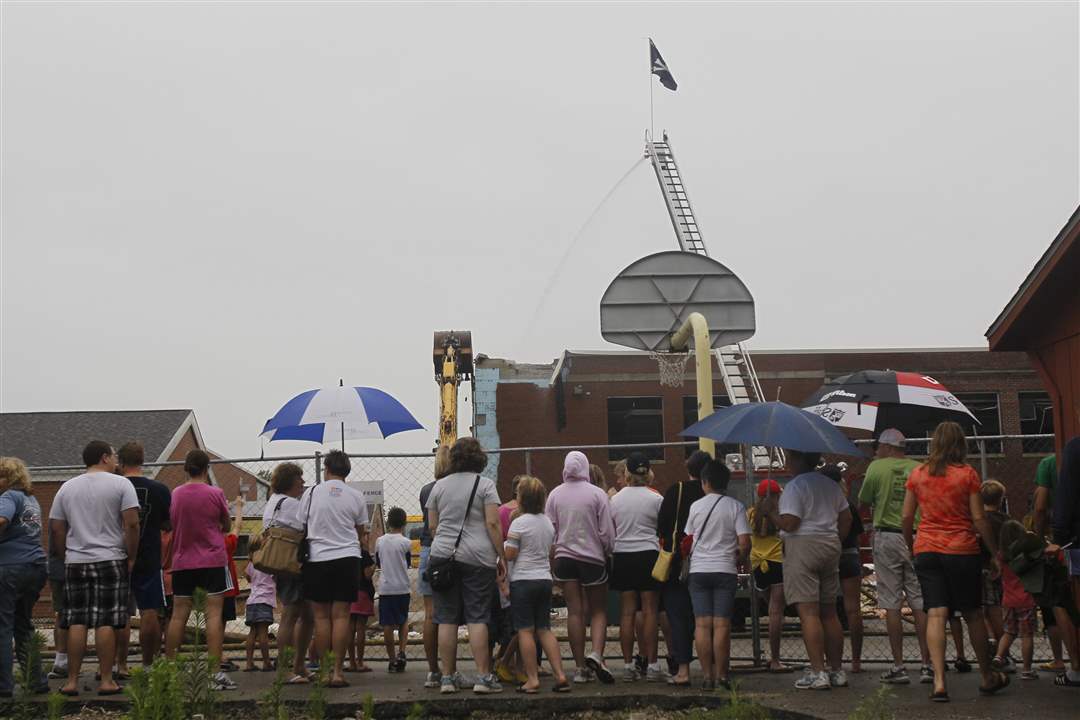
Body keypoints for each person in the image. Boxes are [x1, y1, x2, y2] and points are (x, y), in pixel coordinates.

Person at [902, 421, 1008, 701]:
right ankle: (987, 676)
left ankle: (939, 682)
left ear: (934, 442)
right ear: (960, 444)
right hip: (961, 550)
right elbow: (979, 519)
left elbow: (906, 517)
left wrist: (911, 543)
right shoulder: (967, 475)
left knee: (936, 613)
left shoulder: (918, 474)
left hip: (927, 548)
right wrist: (994, 552)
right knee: (972, 613)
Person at [48, 440, 139, 697]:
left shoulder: (66, 487)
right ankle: (107, 680)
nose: (116, 460)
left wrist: (67, 554)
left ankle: (72, 682)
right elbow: (132, 524)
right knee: (106, 621)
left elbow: (56, 527)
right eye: (113, 456)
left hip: (76, 561)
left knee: (76, 620)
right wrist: (130, 557)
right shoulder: (121, 484)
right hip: (111, 558)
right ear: (103, 458)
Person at [760, 449, 851, 691]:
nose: (788, 462)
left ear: (799, 459)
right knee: (829, 612)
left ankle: (817, 672)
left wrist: (771, 512)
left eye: (791, 458)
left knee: (809, 613)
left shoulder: (795, 486)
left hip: (802, 546)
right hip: (830, 545)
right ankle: (836, 670)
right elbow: (846, 518)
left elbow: (790, 524)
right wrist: (836, 541)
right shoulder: (831, 485)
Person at [427, 437, 507, 694]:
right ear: (478, 458)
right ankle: (483, 677)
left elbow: (432, 526)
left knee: (447, 618)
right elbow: (493, 524)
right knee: (477, 616)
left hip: (443, 556)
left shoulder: (438, 487)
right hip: (478, 557)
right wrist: (501, 556)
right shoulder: (485, 485)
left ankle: (448, 678)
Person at [857, 429, 932, 684]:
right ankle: (927, 664)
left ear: (887, 447)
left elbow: (863, 502)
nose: (876, 451)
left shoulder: (877, 468)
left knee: (891, 602)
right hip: (917, 536)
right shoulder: (920, 468)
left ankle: (899, 666)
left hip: (887, 536)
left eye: (878, 446)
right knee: (920, 601)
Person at [163, 449, 236, 691]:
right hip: (212, 561)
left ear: (186, 468)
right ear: (207, 468)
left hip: (183, 560)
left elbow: (172, 522)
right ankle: (215, 673)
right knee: (213, 615)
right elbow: (226, 524)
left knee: (178, 615)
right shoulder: (216, 493)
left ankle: (170, 669)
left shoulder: (176, 494)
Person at [299, 450, 369, 689]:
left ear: (326, 468)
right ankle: (338, 672)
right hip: (347, 559)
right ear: (346, 471)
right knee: (342, 616)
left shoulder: (310, 494)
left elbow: (302, 526)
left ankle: (324, 670)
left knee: (321, 617)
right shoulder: (356, 496)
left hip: (317, 559)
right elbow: (360, 531)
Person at [546, 450, 616, 685]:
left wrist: (553, 555)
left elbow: (550, 530)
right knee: (598, 611)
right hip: (592, 559)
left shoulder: (555, 495)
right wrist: (607, 551)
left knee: (574, 612)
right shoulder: (597, 494)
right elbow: (606, 532)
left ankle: (578, 668)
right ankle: (596, 653)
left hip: (564, 559)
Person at [683, 460, 750, 690]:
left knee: (702, 625)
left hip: (699, 571)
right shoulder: (736, 507)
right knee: (722, 625)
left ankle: (707, 677)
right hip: (725, 570)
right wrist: (738, 558)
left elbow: (687, 540)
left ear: (704, 482)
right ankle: (722, 676)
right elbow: (744, 543)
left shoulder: (695, 507)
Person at [504, 475, 570, 693]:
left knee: (525, 630)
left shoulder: (518, 523)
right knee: (544, 629)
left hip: (523, 581)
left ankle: (532, 679)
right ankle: (560, 674)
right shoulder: (547, 523)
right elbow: (549, 551)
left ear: (521, 498)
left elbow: (511, 555)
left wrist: (503, 548)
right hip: (544, 579)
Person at [112, 442, 171, 672]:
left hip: (116, 554)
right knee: (150, 611)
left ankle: (120, 665)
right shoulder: (159, 490)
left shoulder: (112, 487)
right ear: (143, 460)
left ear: (121, 462)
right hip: (149, 556)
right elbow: (168, 522)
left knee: (120, 612)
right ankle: (148, 665)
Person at [609, 452, 664, 682]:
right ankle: (652, 664)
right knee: (650, 610)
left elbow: (611, 528)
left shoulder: (615, 500)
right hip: (648, 554)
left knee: (627, 612)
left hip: (622, 554)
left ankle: (628, 664)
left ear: (627, 473)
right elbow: (661, 529)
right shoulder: (656, 499)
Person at [657, 450, 709, 686]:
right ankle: (713, 670)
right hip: (708, 562)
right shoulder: (715, 496)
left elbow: (662, 527)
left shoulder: (676, 490)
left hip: (678, 562)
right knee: (708, 618)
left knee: (678, 617)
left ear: (689, 469)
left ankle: (683, 670)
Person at [0, 457, 49, 698]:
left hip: (9, 568)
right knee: (23, 625)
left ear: (10, 479)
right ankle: (36, 680)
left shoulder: (8, 497)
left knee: (3, 626)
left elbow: (1, 520)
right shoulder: (31, 499)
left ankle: (3, 685)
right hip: (35, 566)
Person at [262, 462, 312, 685]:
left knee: (304, 615)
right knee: (291, 615)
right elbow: (307, 527)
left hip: (283, 565)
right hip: (294, 566)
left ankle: (298, 665)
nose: (302, 482)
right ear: (290, 481)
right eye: (299, 478)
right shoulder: (291, 504)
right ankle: (287, 668)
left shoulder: (273, 502)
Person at [821, 464, 864, 674]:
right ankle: (856, 661)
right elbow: (857, 533)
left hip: (828, 556)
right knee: (853, 610)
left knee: (826, 610)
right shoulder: (847, 504)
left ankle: (829, 661)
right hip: (849, 555)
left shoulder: (821, 504)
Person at [418, 445, 450, 689]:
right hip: (450, 552)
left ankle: (433, 670)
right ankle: (451, 670)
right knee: (450, 614)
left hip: (428, 551)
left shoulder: (426, 490)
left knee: (430, 614)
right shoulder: (457, 488)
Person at [1031, 453, 1066, 672]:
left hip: (1060, 539)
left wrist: (1038, 535)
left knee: (1057, 603)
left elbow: (1041, 506)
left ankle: (1062, 660)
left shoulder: (1049, 463)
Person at [1049, 436, 1080, 688]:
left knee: (1067, 601)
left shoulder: (1075, 448)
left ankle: (1077, 668)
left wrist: (1059, 537)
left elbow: (1066, 494)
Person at [748, 478, 787, 673]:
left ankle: (765, 653)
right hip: (777, 562)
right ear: (778, 495)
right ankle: (775, 658)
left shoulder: (751, 514)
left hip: (757, 564)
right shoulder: (780, 514)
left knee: (768, 606)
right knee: (776, 613)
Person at [993, 520, 1038, 680]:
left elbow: (997, 574)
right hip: (1026, 599)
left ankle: (999, 657)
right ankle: (1026, 670)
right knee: (1027, 635)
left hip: (1008, 600)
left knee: (1008, 632)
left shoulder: (1001, 556)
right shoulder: (1027, 556)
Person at [376, 507, 413, 673]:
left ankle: (391, 659)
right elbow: (408, 563)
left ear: (388, 522)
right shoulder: (406, 542)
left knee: (387, 624)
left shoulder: (380, 541)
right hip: (402, 587)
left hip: (386, 587)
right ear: (404, 523)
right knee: (403, 620)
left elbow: (378, 563)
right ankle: (402, 652)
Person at [979, 481, 1009, 664]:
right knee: (996, 607)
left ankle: (989, 639)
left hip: (980, 567)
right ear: (1001, 499)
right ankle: (1001, 647)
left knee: (981, 609)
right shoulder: (1006, 520)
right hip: (1001, 569)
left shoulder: (980, 521)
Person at [347, 546, 376, 673]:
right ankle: (360, 662)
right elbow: (367, 575)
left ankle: (352, 662)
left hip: (348, 593)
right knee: (360, 628)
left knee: (350, 628)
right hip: (363, 592)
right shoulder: (363, 553)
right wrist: (374, 566)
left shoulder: (345, 552)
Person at [244, 560, 276, 672]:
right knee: (263, 632)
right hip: (265, 600)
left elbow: (247, 576)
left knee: (252, 631)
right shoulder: (270, 561)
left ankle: (249, 663)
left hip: (252, 600)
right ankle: (266, 662)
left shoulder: (253, 562)